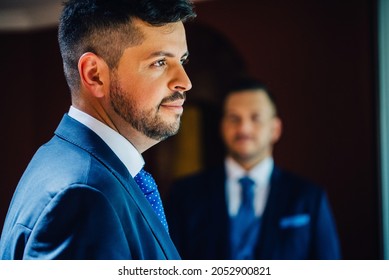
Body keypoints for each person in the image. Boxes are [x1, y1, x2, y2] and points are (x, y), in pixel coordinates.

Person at [0, 0, 196, 260]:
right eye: (160, 62)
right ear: (94, 75)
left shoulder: (63, 161)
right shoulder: (83, 196)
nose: (185, 82)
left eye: (182, 60)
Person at [166, 77, 341, 260]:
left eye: (255, 118)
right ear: (222, 126)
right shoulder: (184, 194)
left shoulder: (309, 197)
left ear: (275, 129)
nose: (244, 128)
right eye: (234, 118)